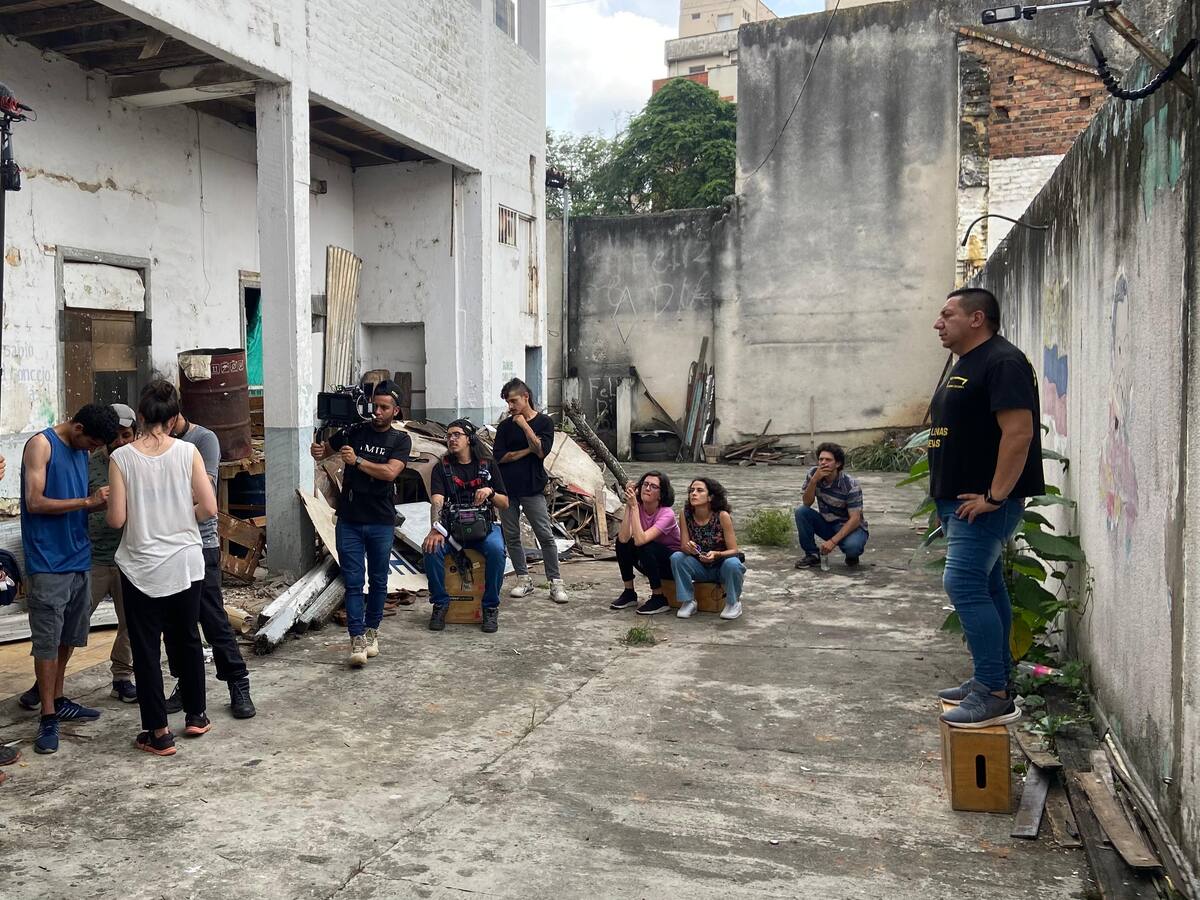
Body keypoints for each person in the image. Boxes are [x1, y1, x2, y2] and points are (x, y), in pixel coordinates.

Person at [930, 287, 1043, 729]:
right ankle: (994, 680)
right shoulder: (970, 363)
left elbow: (1018, 433)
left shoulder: (1002, 361)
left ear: (977, 319)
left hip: (982, 505)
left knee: (963, 584)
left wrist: (994, 497)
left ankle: (992, 692)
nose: (938, 323)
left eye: (947, 314)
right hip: (960, 502)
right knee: (990, 586)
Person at [108, 380, 218, 756]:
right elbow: (209, 508)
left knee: (145, 648)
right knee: (187, 637)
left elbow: (117, 519)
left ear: (140, 416)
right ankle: (197, 715)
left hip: (141, 566)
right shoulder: (188, 452)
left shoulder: (122, 458)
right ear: (172, 419)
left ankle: (158, 733)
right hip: (186, 560)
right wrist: (179, 518)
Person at [18, 403, 139, 710]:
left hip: (78, 556)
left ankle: (57, 699)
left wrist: (99, 504)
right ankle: (47, 714)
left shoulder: (82, 451)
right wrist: (88, 501)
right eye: (93, 444)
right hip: (48, 560)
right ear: (79, 429)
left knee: (69, 637)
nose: (95, 450)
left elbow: (81, 504)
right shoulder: (41, 445)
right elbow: (35, 502)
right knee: (47, 640)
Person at [310, 381, 411, 666]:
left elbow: (390, 473)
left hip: (380, 520)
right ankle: (356, 638)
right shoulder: (354, 431)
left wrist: (357, 462)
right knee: (353, 582)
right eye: (374, 406)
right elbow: (323, 451)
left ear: (396, 411)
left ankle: (372, 631)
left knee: (378, 581)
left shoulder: (400, 441)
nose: (377, 412)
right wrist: (319, 447)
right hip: (350, 520)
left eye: (384, 408)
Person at [163, 409, 255, 718]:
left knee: (214, 620)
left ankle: (237, 683)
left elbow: (203, 493)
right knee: (176, 625)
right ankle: (186, 682)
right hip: (168, 546)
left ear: (175, 414)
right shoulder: (158, 441)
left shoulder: (203, 440)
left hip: (202, 545)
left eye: (163, 422)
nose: (158, 429)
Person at [422, 419, 509, 633]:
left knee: (497, 551)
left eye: (457, 434)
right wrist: (435, 528)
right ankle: (440, 603)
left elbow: (505, 503)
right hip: (452, 530)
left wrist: (490, 491)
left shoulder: (488, 465)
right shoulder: (441, 468)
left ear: (469, 439)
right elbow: (437, 501)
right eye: (449, 435)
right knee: (431, 549)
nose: (451, 439)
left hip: (484, 529)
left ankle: (490, 607)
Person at [492, 378, 568, 605]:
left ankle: (555, 582)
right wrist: (528, 450)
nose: (510, 406)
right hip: (507, 490)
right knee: (512, 536)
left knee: (545, 535)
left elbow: (542, 452)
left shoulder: (544, 423)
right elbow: (501, 457)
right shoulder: (505, 427)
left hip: (533, 488)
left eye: (514, 401)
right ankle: (523, 579)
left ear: (526, 397)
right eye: (508, 402)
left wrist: (525, 425)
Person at [670, 477, 747, 620]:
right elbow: (683, 546)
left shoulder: (722, 516)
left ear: (710, 497)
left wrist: (717, 554)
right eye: (691, 490)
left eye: (699, 491)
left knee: (734, 563)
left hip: (721, 567)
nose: (694, 494)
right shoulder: (685, 515)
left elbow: (734, 550)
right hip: (699, 566)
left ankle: (733, 603)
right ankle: (688, 601)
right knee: (677, 557)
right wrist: (691, 549)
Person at [610, 471, 680, 615]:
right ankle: (629, 592)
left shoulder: (667, 514)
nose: (647, 488)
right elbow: (623, 538)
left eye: (653, 487)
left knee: (643, 543)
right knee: (622, 542)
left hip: (672, 564)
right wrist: (630, 506)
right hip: (649, 560)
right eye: (645, 484)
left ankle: (658, 597)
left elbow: (641, 540)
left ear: (661, 494)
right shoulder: (638, 507)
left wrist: (634, 506)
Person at [794, 443, 869, 568]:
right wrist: (813, 481)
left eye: (828, 460)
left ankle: (852, 555)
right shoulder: (813, 474)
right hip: (828, 522)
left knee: (852, 548)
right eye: (821, 459)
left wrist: (833, 542)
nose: (823, 463)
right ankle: (812, 554)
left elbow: (855, 519)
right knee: (801, 512)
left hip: (850, 527)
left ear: (838, 464)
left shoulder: (850, 484)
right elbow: (807, 503)